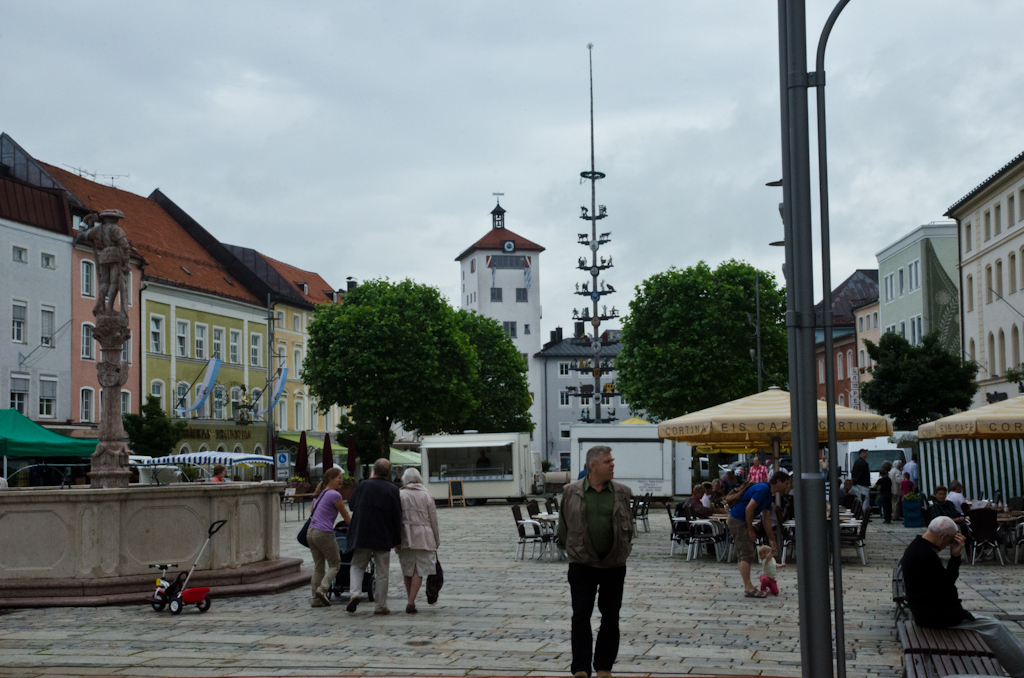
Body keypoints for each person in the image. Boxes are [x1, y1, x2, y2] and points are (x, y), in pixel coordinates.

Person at [902, 516, 1024, 677]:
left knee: (994, 626)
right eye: (950, 541)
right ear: (944, 537)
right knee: (994, 628)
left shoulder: (918, 548)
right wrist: (955, 557)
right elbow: (947, 588)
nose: (948, 545)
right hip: (936, 619)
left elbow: (943, 586)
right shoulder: (924, 555)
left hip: (931, 614)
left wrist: (955, 556)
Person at [556, 446, 633, 678]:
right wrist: (572, 549)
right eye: (607, 461)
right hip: (582, 564)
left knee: (611, 616)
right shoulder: (571, 492)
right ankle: (580, 667)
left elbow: (629, 525)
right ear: (593, 466)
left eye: (612, 461)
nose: (612, 464)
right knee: (581, 615)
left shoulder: (622, 492)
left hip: (613, 565)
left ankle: (603, 667)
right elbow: (563, 527)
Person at [345, 458, 403, 615]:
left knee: (357, 565)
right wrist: (397, 539)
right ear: (388, 473)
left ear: (374, 470)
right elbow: (397, 516)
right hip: (382, 534)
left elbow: (351, 505)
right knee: (382, 571)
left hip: (361, 532)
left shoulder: (362, 485)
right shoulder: (392, 489)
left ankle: (355, 593)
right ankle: (380, 606)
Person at [727, 471, 791, 598]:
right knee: (746, 553)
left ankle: (748, 586)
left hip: (740, 519)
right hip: (738, 519)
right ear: (778, 481)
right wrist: (750, 530)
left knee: (743, 553)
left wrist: (772, 539)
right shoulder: (763, 489)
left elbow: (766, 519)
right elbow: (749, 508)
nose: (787, 486)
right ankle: (749, 588)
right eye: (786, 483)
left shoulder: (768, 494)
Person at [307, 467, 353, 607]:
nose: (341, 480)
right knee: (335, 564)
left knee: (319, 566)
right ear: (330, 479)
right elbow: (344, 514)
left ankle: (316, 600)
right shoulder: (334, 494)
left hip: (311, 532)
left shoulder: (319, 495)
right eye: (339, 477)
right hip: (324, 532)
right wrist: (355, 527)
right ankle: (322, 589)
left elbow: (312, 512)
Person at [398, 467, 439, 614]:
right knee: (419, 570)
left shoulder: (400, 494)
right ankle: (411, 601)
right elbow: (433, 519)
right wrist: (436, 540)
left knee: (407, 570)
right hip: (424, 536)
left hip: (405, 535)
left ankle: (410, 599)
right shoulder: (427, 495)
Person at [850, 449, 871, 515]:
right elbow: (860, 473)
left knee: (860, 499)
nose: (867, 454)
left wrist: (855, 481)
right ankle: (864, 513)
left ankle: (861, 512)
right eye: (865, 453)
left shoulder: (857, 462)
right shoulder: (863, 463)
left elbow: (854, 472)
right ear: (862, 453)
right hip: (863, 484)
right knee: (865, 499)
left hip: (858, 483)